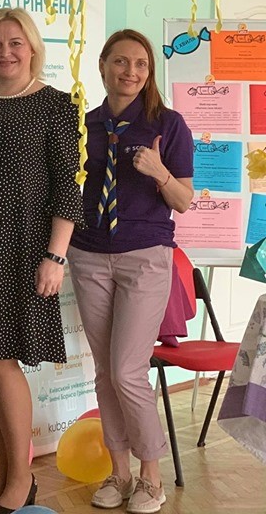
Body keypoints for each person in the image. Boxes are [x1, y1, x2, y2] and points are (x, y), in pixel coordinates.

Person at [0, 7, 83, 514]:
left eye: (15, 43)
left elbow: (67, 187)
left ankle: (22, 480)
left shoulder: (56, 105)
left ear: (32, 48)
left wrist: (56, 255)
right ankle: (5, 474)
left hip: (27, 248)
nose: (5, 52)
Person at [67, 29, 193, 514]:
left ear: (149, 71)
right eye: (121, 62)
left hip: (145, 256)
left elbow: (183, 201)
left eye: (141, 64)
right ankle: (119, 474)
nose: (131, 72)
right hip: (89, 254)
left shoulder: (168, 124)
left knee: (127, 371)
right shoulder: (86, 124)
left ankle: (150, 478)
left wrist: (159, 171)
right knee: (105, 371)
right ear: (103, 65)